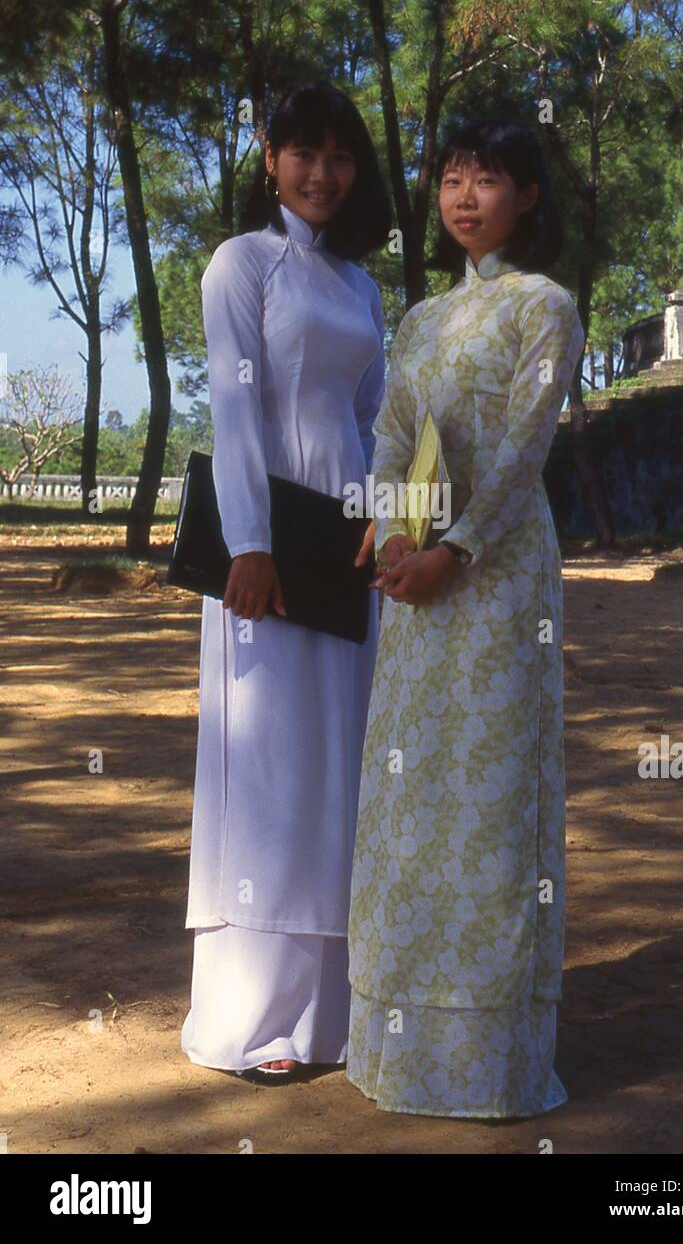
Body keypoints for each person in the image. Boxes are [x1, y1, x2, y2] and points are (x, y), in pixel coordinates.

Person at [347, 116, 585, 1117]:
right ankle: (396, 1047)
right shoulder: (416, 321)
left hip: (497, 585)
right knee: (408, 798)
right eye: (450, 177)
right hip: (415, 586)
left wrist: (457, 551)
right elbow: (393, 435)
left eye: (487, 178)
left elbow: (524, 449)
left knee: (492, 800)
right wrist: (388, 534)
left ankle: (489, 1062)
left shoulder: (546, 307)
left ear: (525, 196)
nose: (463, 196)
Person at [181, 81, 391, 1082]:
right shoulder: (241, 264)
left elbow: (377, 421)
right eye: (302, 152)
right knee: (268, 762)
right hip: (269, 544)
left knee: (337, 764)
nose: (321, 172)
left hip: (350, 548)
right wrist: (247, 546)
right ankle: (252, 1017)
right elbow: (232, 409)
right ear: (268, 157)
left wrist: (391, 526)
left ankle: (332, 1016)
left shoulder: (359, 284)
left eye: (339, 156)